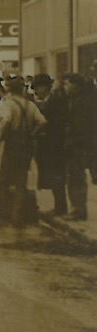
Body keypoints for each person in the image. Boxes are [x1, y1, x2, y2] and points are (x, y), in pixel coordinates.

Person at [0, 76, 45, 227]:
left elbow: (6, 120)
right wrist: (32, 134)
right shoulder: (30, 105)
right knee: (21, 181)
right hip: (26, 146)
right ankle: (17, 217)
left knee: (2, 180)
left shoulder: (8, 103)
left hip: (12, 145)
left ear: (10, 90)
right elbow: (42, 122)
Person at [32, 74, 68, 216]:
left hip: (55, 146)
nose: (36, 91)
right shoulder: (44, 102)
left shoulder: (55, 102)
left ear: (46, 87)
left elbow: (55, 125)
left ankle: (60, 208)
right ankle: (58, 206)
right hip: (46, 146)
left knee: (56, 177)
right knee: (52, 177)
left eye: (38, 88)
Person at [61, 73, 95, 221]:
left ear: (76, 86)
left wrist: (73, 143)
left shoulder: (79, 102)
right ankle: (77, 208)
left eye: (67, 84)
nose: (65, 87)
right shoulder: (76, 100)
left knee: (76, 177)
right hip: (77, 144)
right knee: (75, 176)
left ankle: (78, 209)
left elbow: (80, 126)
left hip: (77, 146)